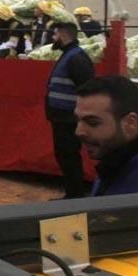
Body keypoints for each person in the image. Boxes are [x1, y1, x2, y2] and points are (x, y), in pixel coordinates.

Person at [76, 75, 138, 195]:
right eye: (78, 120)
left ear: (130, 123)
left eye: (93, 123)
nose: (79, 131)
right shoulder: (113, 162)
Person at [45, 22, 96, 199]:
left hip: (69, 118)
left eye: (55, 34)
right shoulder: (70, 55)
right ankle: (72, 193)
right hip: (62, 117)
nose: (53, 38)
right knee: (65, 156)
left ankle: (75, 196)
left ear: (64, 35)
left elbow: (87, 88)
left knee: (69, 157)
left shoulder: (76, 58)